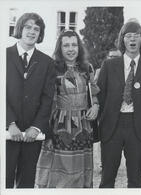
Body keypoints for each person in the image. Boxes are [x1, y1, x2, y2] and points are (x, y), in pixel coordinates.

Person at [35, 30, 100, 188]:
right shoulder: (52, 68)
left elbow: (94, 92)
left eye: (74, 45)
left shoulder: (87, 68)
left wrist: (96, 106)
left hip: (84, 126)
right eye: (66, 45)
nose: (71, 49)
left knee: (81, 170)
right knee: (59, 172)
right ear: (60, 48)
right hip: (60, 125)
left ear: (79, 47)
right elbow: (45, 96)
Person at [97, 20, 141, 188]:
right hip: (112, 127)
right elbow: (100, 97)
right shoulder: (109, 65)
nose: (132, 39)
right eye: (128, 36)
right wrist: (102, 121)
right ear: (122, 40)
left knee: (135, 180)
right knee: (107, 178)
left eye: (136, 36)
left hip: (136, 128)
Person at [6, 12, 55, 188]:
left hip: (31, 136)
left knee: (26, 182)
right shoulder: (4, 56)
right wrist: (9, 123)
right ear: (20, 28)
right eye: (28, 27)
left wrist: (36, 127)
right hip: (6, 132)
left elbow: (48, 98)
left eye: (37, 28)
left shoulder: (47, 62)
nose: (32, 31)